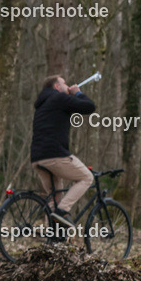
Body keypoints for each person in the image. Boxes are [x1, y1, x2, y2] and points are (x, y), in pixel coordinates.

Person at [30, 75, 95, 226]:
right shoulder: (59, 99)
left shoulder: (42, 105)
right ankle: (62, 212)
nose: (67, 86)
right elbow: (89, 106)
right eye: (64, 83)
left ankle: (51, 240)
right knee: (86, 177)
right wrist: (77, 93)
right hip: (55, 155)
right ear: (57, 87)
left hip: (37, 158)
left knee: (55, 199)